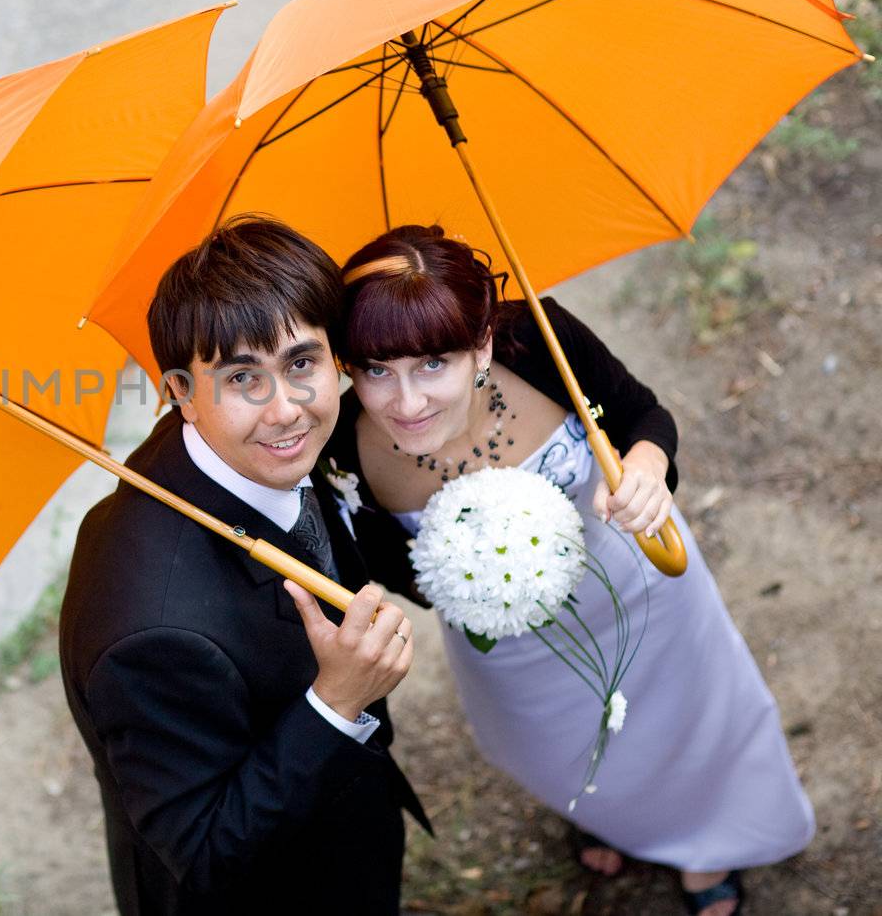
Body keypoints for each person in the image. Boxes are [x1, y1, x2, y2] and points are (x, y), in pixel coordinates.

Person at [324, 224, 814, 916]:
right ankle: (612, 812)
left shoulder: (539, 339)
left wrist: (645, 467)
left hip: (640, 594)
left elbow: (645, 413)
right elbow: (383, 573)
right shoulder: (341, 445)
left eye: (433, 363)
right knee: (570, 752)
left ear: (482, 344)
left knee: (683, 722)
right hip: (512, 650)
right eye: (375, 370)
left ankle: (707, 851)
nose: (404, 402)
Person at [58, 218, 428, 915]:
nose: (285, 409)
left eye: (300, 363)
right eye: (241, 378)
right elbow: (202, 851)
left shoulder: (252, 447)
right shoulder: (152, 633)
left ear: (336, 359)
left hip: (347, 827)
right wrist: (337, 703)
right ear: (179, 390)